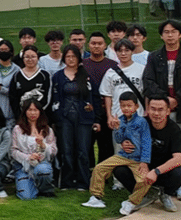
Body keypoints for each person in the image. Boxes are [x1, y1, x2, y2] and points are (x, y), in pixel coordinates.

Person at [142, 19, 181, 201]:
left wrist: (177, 99)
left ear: (180, 34)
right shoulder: (155, 56)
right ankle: (160, 182)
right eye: (166, 32)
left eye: (173, 31)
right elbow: (148, 80)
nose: (170, 35)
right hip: (160, 109)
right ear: (161, 35)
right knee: (159, 147)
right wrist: (164, 100)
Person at [82, 92, 152, 216]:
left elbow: (147, 142)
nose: (126, 108)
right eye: (123, 106)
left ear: (136, 106)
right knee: (99, 168)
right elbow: (119, 140)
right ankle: (96, 197)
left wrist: (144, 161)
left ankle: (132, 202)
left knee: (144, 180)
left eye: (129, 106)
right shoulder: (120, 120)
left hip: (137, 158)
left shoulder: (142, 122)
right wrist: (117, 128)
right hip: (123, 156)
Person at [113, 97, 181, 213]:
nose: (156, 113)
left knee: (178, 173)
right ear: (147, 110)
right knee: (119, 169)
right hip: (141, 166)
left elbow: (179, 159)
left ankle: (165, 194)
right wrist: (124, 143)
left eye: (160, 109)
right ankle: (145, 194)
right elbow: (125, 139)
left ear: (168, 111)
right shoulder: (139, 123)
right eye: (153, 109)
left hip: (162, 170)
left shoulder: (174, 129)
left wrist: (156, 171)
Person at [51, 45, 94, 191]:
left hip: (83, 118)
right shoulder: (58, 76)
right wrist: (56, 118)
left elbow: (93, 98)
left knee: (83, 150)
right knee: (66, 150)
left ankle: (83, 182)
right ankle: (67, 181)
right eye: (68, 56)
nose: (70, 59)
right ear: (64, 58)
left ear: (78, 58)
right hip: (64, 118)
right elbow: (54, 98)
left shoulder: (85, 75)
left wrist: (95, 118)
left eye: (73, 56)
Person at [83, 32, 117, 166]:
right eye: (93, 43)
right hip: (87, 111)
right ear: (88, 45)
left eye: (99, 43)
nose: (96, 46)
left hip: (107, 110)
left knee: (106, 145)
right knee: (87, 145)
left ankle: (105, 172)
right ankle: (89, 171)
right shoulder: (82, 65)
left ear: (105, 46)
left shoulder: (113, 65)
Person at [11, 98, 56, 200]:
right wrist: (28, 157)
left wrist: (43, 145)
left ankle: (45, 189)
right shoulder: (17, 129)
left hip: (41, 163)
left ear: (40, 112)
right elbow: (13, 151)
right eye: (30, 110)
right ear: (25, 112)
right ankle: (29, 185)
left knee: (43, 170)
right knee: (26, 196)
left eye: (35, 110)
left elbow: (53, 151)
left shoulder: (47, 130)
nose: (32, 113)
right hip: (23, 166)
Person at [9, 45, 51, 119]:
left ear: (38, 58)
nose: (30, 59)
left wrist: (39, 112)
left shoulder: (45, 75)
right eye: (27, 57)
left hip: (41, 116)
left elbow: (48, 97)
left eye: (33, 57)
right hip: (22, 116)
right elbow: (13, 97)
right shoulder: (17, 75)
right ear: (23, 58)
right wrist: (19, 114)